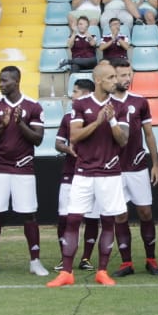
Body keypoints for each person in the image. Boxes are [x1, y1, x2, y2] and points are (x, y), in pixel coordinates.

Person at [47, 60, 129, 288]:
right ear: (99, 80)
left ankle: (102, 271)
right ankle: (66, 272)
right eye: (111, 77)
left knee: (108, 221)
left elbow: (123, 140)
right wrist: (98, 121)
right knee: (73, 220)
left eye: (116, 77)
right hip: (83, 172)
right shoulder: (81, 104)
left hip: (110, 173)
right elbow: (74, 136)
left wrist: (111, 119)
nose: (116, 81)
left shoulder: (120, 107)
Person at [0, 67, 49, 278]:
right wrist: (3, 124)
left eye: (5, 81)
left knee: (29, 214)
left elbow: (38, 139)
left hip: (23, 167)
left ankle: (35, 261)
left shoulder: (33, 106)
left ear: (17, 81)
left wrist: (20, 123)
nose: (1, 84)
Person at [110, 61, 158, 277]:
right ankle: (126, 263)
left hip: (138, 166)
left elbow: (149, 134)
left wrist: (156, 164)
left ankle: (151, 259)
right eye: (122, 74)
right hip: (113, 168)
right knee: (120, 215)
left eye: (128, 74)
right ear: (113, 77)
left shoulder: (140, 102)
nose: (126, 78)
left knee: (145, 212)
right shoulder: (105, 103)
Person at [54, 78, 102, 273]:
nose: (72, 95)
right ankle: (64, 257)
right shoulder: (67, 118)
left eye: (75, 91)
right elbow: (58, 143)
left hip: (94, 173)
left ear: (86, 94)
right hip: (70, 173)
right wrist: (68, 149)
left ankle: (86, 258)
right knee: (65, 217)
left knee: (92, 217)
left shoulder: (100, 116)